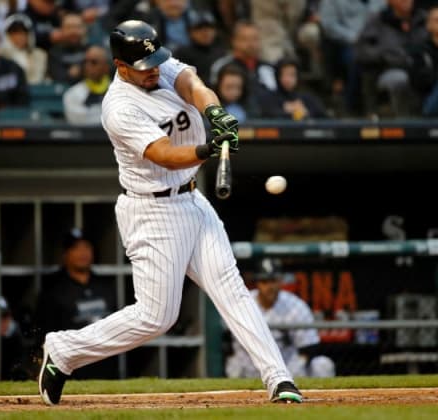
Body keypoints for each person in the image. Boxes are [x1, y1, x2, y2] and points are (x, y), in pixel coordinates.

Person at [38, 20, 302, 406]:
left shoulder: (159, 66)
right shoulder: (119, 107)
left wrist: (215, 114)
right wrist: (207, 151)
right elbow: (164, 154)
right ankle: (63, 351)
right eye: (144, 67)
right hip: (152, 210)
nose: (154, 71)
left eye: (156, 61)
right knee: (156, 317)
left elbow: (193, 85)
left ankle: (279, 380)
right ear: (120, 65)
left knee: (231, 288)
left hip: (192, 200)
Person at [226, 258, 336, 379]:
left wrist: (292, 372)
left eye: (273, 281)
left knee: (322, 364)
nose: (270, 286)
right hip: (249, 367)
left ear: (280, 281)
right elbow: (226, 343)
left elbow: (309, 347)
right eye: (264, 281)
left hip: (286, 368)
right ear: (257, 283)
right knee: (234, 365)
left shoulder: (295, 306)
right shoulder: (242, 303)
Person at [34, 228, 117, 379]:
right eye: (76, 248)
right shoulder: (53, 289)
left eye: (87, 247)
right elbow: (44, 333)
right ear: (65, 254)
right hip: (72, 370)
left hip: (105, 366)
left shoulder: (106, 286)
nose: (82, 253)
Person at [355, 0, 428, 117]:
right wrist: (385, 55)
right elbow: (362, 50)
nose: (407, 1)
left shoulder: (424, 18)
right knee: (399, 79)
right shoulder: (378, 20)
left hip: (422, 66)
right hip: (389, 69)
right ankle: (405, 121)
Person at [260, 58, 328, 120]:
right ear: (277, 76)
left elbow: (324, 116)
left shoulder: (307, 97)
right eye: (283, 74)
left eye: (291, 75)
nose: (287, 79)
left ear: (297, 76)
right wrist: (287, 111)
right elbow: (268, 115)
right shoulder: (269, 97)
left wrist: (305, 112)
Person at [174, 8, 227, 86]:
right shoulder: (181, 54)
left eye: (210, 28)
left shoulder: (222, 53)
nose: (205, 32)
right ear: (190, 32)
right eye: (199, 28)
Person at [63, 45, 111, 125]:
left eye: (94, 62)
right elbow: (78, 121)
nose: (88, 66)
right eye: (85, 62)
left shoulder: (119, 92)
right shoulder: (72, 94)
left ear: (106, 67)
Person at [0, 13, 48, 84]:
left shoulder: (40, 54)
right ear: (7, 35)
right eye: (15, 32)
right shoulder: (0, 55)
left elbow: (40, 80)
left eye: (23, 32)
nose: (19, 36)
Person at [409, 6, 438, 116]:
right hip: (428, 100)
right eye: (437, 20)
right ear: (428, 25)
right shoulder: (420, 51)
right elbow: (419, 81)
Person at [47, 12, 88, 84]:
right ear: (61, 30)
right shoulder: (54, 53)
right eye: (69, 27)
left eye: (77, 27)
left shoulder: (91, 51)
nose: (73, 31)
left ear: (84, 30)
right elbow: (59, 78)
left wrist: (76, 72)